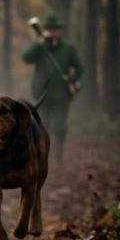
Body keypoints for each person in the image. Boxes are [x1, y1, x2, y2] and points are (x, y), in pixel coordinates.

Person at [21, 14, 84, 163]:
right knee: (42, 126)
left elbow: (80, 68)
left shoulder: (68, 48)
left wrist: (75, 83)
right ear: (45, 30)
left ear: (59, 31)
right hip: (41, 95)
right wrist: (39, 43)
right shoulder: (40, 47)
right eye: (49, 29)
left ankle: (59, 156)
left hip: (61, 95)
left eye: (55, 29)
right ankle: (42, 155)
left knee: (60, 127)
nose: (52, 32)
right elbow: (25, 58)